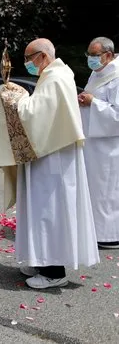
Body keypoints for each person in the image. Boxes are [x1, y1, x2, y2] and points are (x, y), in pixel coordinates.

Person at [0, 38, 99, 289]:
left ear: (43, 56)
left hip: (53, 160)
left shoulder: (56, 78)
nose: (26, 63)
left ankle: (54, 272)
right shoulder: (55, 74)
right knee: (41, 211)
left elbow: (34, 115)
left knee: (49, 212)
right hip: (49, 157)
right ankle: (40, 261)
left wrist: (13, 97)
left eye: (28, 57)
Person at [78, 36, 119, 249]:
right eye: (89, 55)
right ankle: (95, 231)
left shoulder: (117, 76)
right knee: (95, 191)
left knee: (108, 192)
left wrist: (93, 102)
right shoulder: (98, 73)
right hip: (93, 144)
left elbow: (117, 115)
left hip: (110, 147)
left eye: (94, 55)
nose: (91, 60)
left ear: (109, 55)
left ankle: (110, 235)